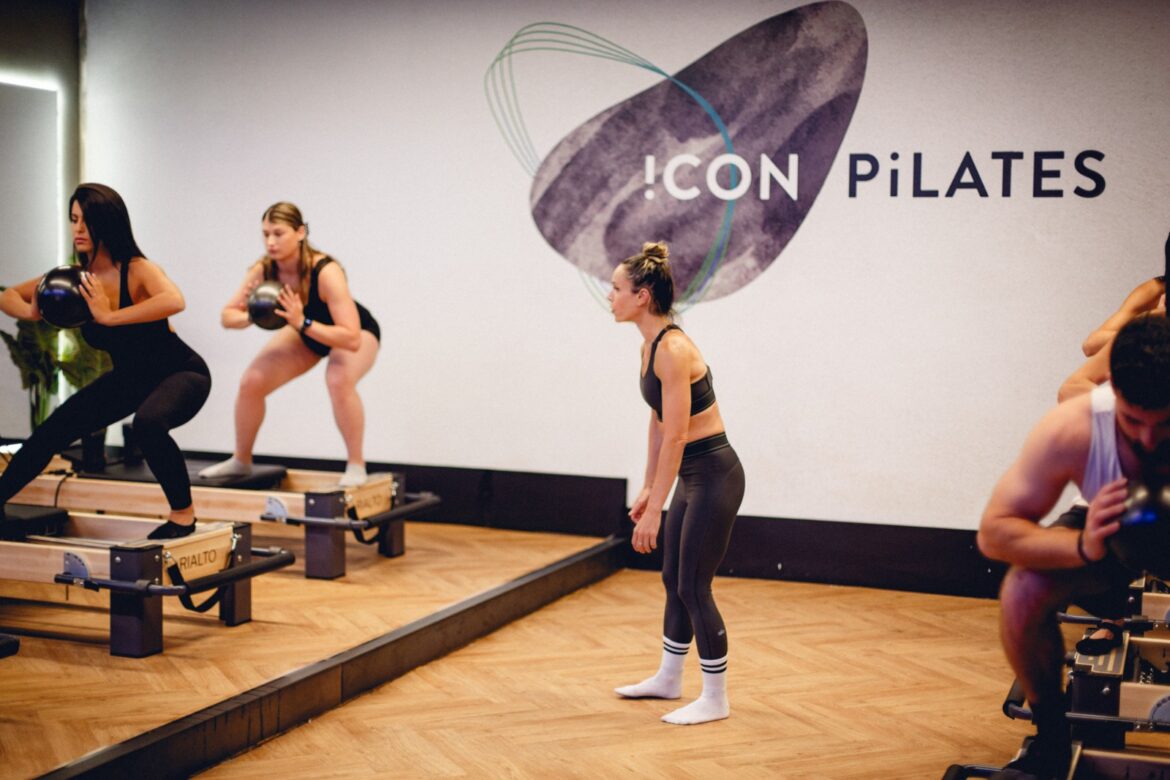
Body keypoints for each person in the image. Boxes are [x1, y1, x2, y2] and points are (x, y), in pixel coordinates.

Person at [978, 315, 1170, 779]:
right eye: (1133, 421)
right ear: (1114, 392)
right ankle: (1051, 740)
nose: (1148, 439)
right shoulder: (1077, 426)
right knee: (1023, 589)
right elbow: (995, 531)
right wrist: (1083, 546)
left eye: (1165, 424)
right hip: (1109, 531)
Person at [0, 183, 210, 540]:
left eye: (87, 220)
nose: (78, 229)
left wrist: (109, 316)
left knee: (148, 424)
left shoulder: (137, 269)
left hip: (180, 372)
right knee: (53, 431)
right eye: (73, 220)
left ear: (109, 223)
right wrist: (31, 311)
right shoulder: (74, 278)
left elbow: (174, 300)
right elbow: (8, 296)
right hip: (130, 379)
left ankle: (183, 516)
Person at [607, 241, 745, 725]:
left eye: (616, 288)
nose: (610, 296)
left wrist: (653, 511)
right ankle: (669, 678)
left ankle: (715, 698)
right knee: (673, 579)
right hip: (691, 474)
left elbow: (679, 435)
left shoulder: (673, 349)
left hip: (714, 474)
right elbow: (659, 420)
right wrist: (649, 486)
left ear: (642, 296)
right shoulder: (649, 346)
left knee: (693, 585)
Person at [198, 202, 380, 488]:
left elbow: (351, 338)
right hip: (303, 329)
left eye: (278, 233)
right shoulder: (265, 269)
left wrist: (302, 321)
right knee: (251, 383)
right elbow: (227, 316)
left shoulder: (326, 271)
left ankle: (356, 465)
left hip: (352, 331)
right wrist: (252, 315)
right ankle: (241, 461)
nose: (270, 242)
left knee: (337, 379)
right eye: (265, 234)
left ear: (300, 232)